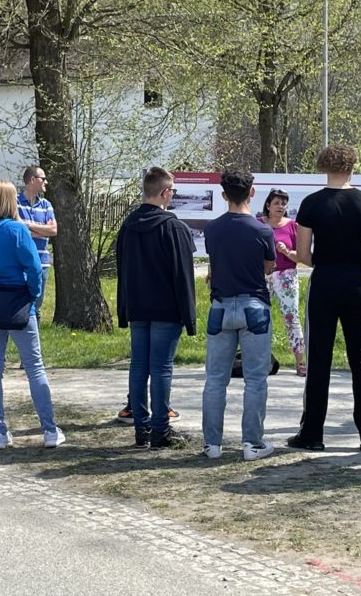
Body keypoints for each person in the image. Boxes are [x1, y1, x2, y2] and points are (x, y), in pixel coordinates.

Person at [288, 144, 361, 453]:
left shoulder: (311, 203)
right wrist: (360, 256)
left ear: (323, 167)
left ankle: (313, 433)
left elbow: (304, 255)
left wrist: (325, 258)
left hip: (325, 281)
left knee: (319, 358)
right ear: (353, 168)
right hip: (357, 281)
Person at [0, 181, 65, 450]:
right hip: (20, 307)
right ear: (10, 202)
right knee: (34, 367)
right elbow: (34, 269)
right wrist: (31, 295)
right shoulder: (19, 231)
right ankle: (49, 430)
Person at [114, 167, 197, 448]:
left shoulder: (128, 226)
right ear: (164, 193)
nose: (172, 195)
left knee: (139, 366)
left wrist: (124, 308)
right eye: (172, 190)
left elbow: (121, 270)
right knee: (161, 367)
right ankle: (160, 429)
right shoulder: (173, 227)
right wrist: (190, 316)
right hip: (166, 307)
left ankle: (142, 428)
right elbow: (183, 275)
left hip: (137, 305)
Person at [202, 169, 277, 460]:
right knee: (256, 379)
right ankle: (252, 443)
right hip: (254, 305)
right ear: (252, 193)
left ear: (223, 195)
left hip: (220, 307)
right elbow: (268, 266)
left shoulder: (212, 229)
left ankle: (212, 444)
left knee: (215, 379)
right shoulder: (263, 230)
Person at [259, 188, 306, 376]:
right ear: (268, 205)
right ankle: (259, 360)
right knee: (260, 317)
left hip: (286, 275)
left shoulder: (293, 226)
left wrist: (286, 251)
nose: (280, 207)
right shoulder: (259, 224)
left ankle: (300, 361)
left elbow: (300, 257)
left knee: (292, 317)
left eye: (283, 203)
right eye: (276, 203)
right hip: (262, 275)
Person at [18, 165, 57, 310]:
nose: (46, 182)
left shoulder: (46, 205)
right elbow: (18, 231)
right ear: (32, 180)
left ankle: (35, 333)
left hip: (42, 263)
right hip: (21, 262)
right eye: (43, 179)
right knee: (20, 306)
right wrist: (42, 229)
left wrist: (27, 224)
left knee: (37, 308)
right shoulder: (15, 202)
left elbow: (53, 230)